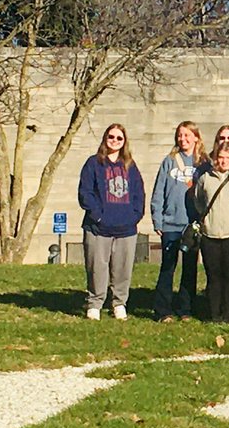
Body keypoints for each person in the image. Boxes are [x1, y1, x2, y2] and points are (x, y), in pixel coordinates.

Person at [78, 123, 145, 321]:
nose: (115, 141)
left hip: (126, 229)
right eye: (111, 137)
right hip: (98, 228)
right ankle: (95, 304)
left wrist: (134, 216)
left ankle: (119, 303)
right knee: (97, 268)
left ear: (124, 142)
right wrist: (98, 216)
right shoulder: (93, 163)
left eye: (119, 138)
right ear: (105, 138)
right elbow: (85, 193)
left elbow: (139, 194)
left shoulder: (130, 166)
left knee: (122, 269)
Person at [150, 121, 207, 322]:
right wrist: (157, 219)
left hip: (192, 225)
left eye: (187, 135)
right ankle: (163, 310)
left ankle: (186, 309)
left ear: (196, 137)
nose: (183, 139)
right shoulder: (169, 161)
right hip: (171, 223)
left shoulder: (203, 163)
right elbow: (159, 191)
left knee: (190, 269)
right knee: (168, 267)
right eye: (180, 135)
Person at [194, 143, 229, 324]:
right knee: (214, 276)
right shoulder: (205, 179)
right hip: (211, 235)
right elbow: (199, 201)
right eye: (221, 157)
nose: (224, 161)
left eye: (228, 158)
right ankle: (214, 314)